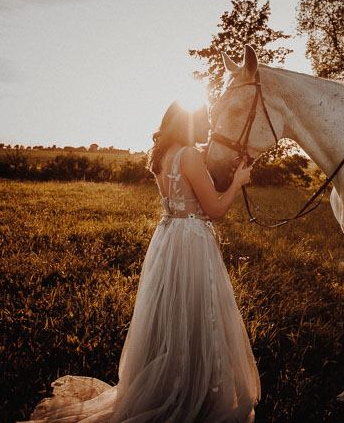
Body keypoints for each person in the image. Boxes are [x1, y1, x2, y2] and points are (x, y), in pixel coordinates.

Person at [24, 102, 260, 422]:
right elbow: (215, 211)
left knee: (174, 316)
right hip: (191, 242)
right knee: (198, 314)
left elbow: (188, 194)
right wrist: (239, 181)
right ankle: (193, 391)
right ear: (186, 123)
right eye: (203, 120)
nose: (209, 125)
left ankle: (176, 381)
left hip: (170, 238)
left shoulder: (163, 156)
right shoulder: (189, 155)